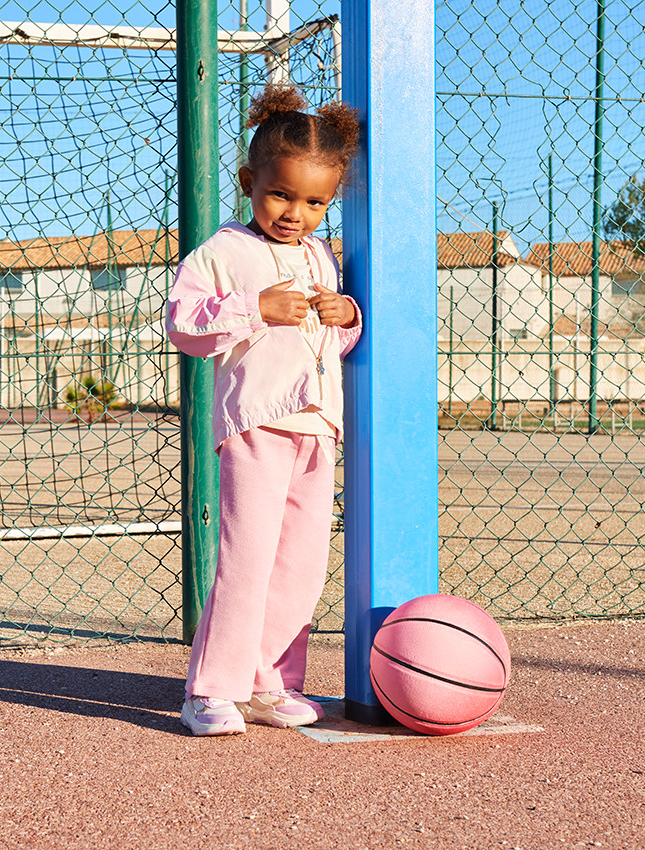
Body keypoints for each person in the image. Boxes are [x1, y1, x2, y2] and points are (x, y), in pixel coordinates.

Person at [165, 84, 362, 736]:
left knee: (300, 569)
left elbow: (329, 342)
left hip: (317, 428)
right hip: (255, 427)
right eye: (281, 194)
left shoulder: (321, 257)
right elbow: (185, 324)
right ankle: (210, 691)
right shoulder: (227, 252)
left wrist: (347, 315)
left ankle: (269, 686)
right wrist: (256, 309)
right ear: (250, 181)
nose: (295, 213)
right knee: (247, 561)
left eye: (315, 202)